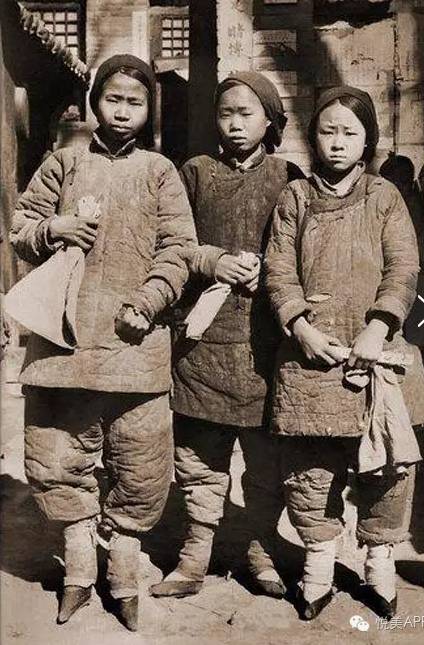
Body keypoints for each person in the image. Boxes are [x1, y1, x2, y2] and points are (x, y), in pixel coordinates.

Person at [10, 54, 196, 631]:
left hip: (135, 343)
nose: (122, 111)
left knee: (141, 461)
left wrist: (150, 300)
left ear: (149, 110)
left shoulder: (160, 171)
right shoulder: (62, 163)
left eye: (135, 102)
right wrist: (54, 228)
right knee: (54, 454)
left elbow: (179, 248)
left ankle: (123, 571)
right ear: (95, 104)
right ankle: (78, 569)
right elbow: (19, 229)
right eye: (112, 99)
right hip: (62, 343)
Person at [264, 86, 424, 620]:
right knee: (310, 468)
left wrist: (379, 328)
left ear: (367, 140)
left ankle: (379, 563)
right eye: (327, 131)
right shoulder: (294, 197)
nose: (337, 143)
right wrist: (300, 327)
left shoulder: (385, 196)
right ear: (313, 137)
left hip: (376, 352)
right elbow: (278, 269)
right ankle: (318, 565)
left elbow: (403, 267)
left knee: (387, 466)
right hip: (311, 356)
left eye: (349, 132)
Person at [151, 72, 304, 599]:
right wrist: (210, 260)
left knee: (265, 462)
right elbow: (172, 243)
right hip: (203, 342)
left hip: (266, 344)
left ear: (270, 120)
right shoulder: (194, 173)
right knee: (198, 458)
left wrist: (273, 271)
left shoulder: (289, 177)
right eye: (225, 114)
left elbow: (303, 248)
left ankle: (260, 550)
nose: (235, 124)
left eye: (246, 113)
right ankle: (194, 557)